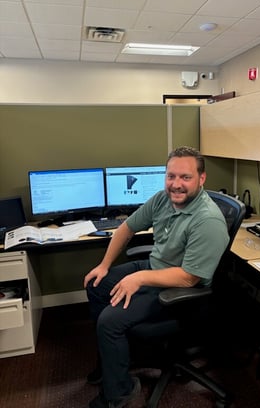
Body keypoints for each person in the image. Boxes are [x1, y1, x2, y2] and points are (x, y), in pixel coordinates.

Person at [84, 146, 230, 408]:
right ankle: (111, 364)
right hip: (155, 268)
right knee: (96, 284)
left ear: (202, 178)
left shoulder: (208, 221)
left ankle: (118, 393)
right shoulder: (163, 199)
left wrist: (139, 279)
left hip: (181, 292)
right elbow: (126, 228)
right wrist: (104, 265)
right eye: (171, 176)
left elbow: (188, 278)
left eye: (185, 177)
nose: (176, 184)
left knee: (109, 321)